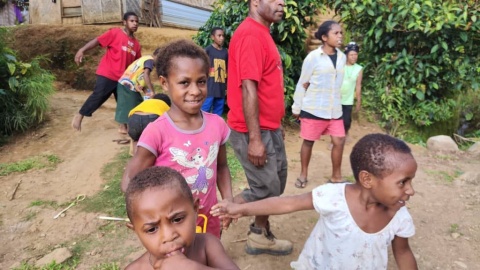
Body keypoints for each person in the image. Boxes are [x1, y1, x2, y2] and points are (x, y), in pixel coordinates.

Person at [212, 133, 418, 270]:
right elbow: (288, 203)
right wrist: (241, 208)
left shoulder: (398, 216)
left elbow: (403, 251)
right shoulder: (334, 197)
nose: (411, 190)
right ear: (367, 179)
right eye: (403, 182)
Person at [121, 39, 234, 239]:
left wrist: (228, 200)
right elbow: (131, 177)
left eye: (201, 81)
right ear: (164, 83)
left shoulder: (217, 125)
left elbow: (222, 166)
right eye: (184, 82)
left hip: (208, 218)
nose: (195, 91)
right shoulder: (157, 131)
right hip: (170, 228)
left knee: (207, 257)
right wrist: (140, 213)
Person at [226, 0, 292, 256]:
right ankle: (220, 211)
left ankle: (258, 232)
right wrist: (255, 138)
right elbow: (248, 87)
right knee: (265, 189)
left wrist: (277, 123)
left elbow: (268, 87)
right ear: (255, 2)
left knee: (277, 184)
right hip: (253, 130)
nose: (282, 3)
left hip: (268, 127)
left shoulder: (263, 33)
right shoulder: (251, 34)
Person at [125, 166, 239, 270]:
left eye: (177, 219)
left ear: (195, 209)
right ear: (136, 231)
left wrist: (192, 268)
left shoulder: (207, 245)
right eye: (151, 229)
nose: (169, 236)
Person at [291, 20, 346, 188]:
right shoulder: (313, 58)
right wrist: (296, 106)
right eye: (335, 33)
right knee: (308, 142)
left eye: (341, 33)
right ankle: (303, 174)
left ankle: (336, 176)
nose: (340, 36)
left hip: (334, 109)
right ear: (324, 37)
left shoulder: (342, 58)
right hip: (314, 108)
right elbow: (303, 82)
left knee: (339, 141)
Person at [71, 12, 141, 133]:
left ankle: (123, 126)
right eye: (131, 21)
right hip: (107, 73)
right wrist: (82, 50)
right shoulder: (115, 33)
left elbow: (136, 65)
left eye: (136, 22)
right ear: (124, 22)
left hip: (123, 79)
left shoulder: (137, 45)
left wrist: (138, 80)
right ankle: (80, 115)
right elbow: (97, 41)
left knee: (124, 102)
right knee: (98, 96)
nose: (135, 24)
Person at [115, 48, 161, 130]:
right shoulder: (150, 61)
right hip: (128, 84)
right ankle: (125, 127)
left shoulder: (145, 58)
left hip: (126, 82)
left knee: (127, 104)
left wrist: (146, 90)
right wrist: (152, 91)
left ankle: (124, 126)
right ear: (158, 56)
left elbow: (140, 76)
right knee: (133, 105)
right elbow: (145, 75)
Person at [201, 27, 228, 116]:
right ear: (213, 37)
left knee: (218, 112)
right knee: (205, 110)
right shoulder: (208, 50)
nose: (222, 38)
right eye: (219, 36)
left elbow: (227, 69)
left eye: (223, 36)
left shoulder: (225, 52)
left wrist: (227, 87)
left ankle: (215, 128)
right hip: (210, 86)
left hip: (221, 86)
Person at [340, 41, 363, 139]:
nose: (354, 57)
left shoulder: (359, 68)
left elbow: (358, 85)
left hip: (348, 99)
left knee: (347, 121)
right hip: (337, 98)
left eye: (356, 54)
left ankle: (346, 133)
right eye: (351, 55)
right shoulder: (340, 66)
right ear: (346, 55)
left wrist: (358, 100)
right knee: (336, 121)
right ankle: (335, 141)